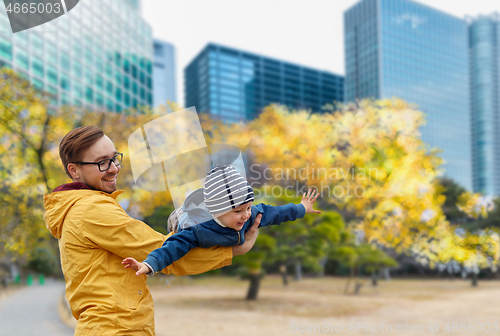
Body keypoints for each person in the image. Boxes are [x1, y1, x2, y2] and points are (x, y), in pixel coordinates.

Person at [43, 126, 260, 336]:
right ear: (74, 170)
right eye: (101, 162)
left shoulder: (82, 207)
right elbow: (164, 251)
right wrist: (232, 250)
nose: (113, 168)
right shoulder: (91, 210)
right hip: (116, 329)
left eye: (114, 158)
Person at [122, 165, 321, 276]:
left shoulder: (250, 215)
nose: (245, 215)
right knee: (180, 229)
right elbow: (173, 246)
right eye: (238, 211)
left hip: (217, 221)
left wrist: (301, 208)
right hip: (189, 220)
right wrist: (150, 264)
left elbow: (275, 213)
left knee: (260, 212)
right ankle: (182, 211)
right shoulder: (199, 230)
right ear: (218, 212)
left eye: (248, 207)